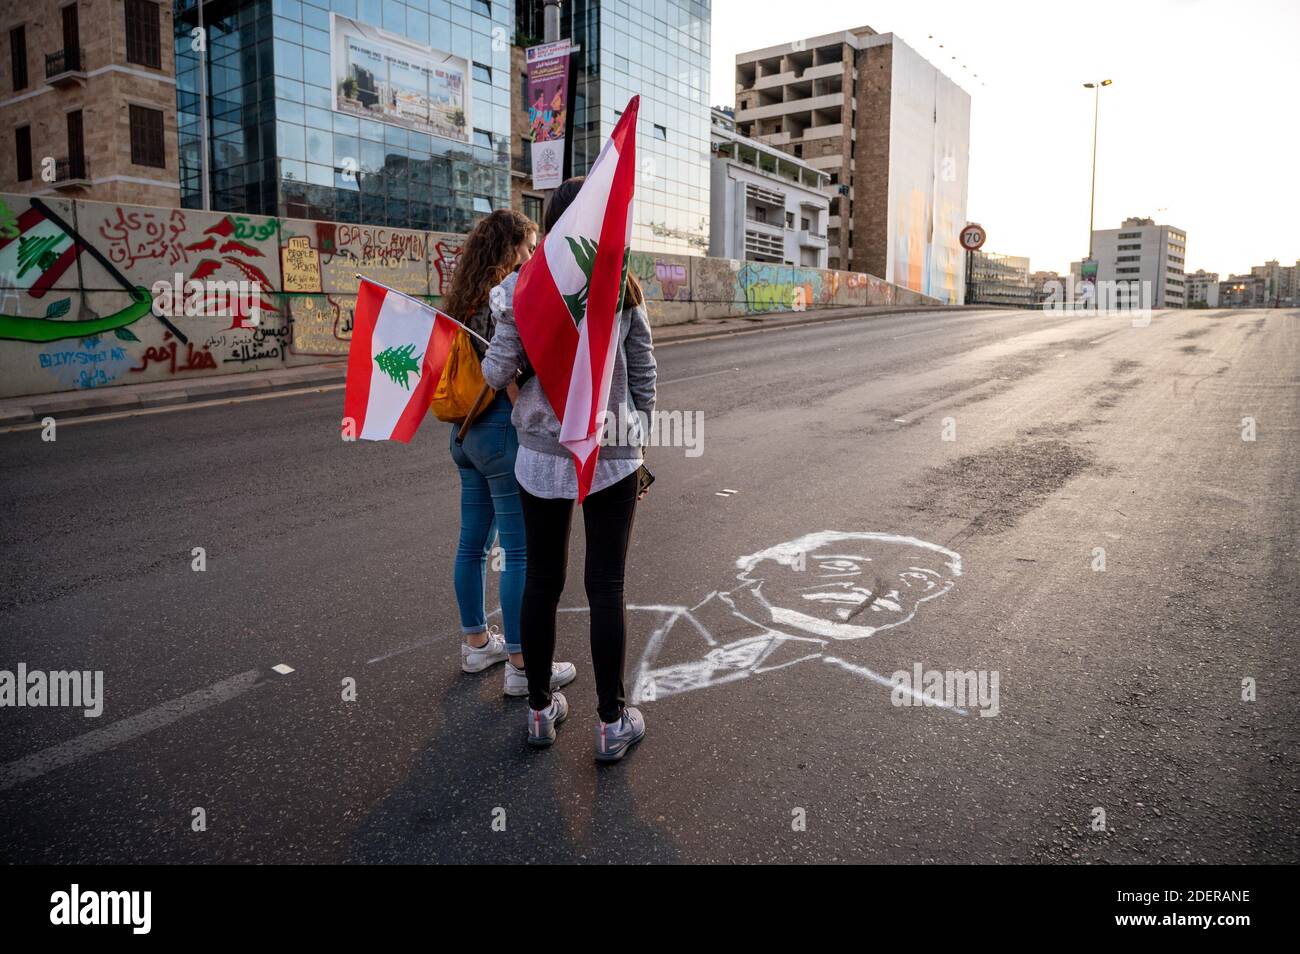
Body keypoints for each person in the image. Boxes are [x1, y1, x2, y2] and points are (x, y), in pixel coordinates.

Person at [480, 178, 657, 762]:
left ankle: (538, 712)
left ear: (551, 222)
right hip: (611, 456)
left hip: (539, 455)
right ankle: (611, 722)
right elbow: (645, 376)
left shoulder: (519, 289)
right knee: (605, 585)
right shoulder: (620, 288)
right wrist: (634, 441)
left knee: (541, 582)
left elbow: (493, 373)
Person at [441, 208, 576, 698]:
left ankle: (477, 643)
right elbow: (513, 375)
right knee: (519, 551)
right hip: (500, 431)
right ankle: (522, 663)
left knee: (472, 543)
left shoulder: (464, 299)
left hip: (464, 433)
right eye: (529, 245)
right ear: (511, 249)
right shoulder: (508, 298)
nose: (535, 253)